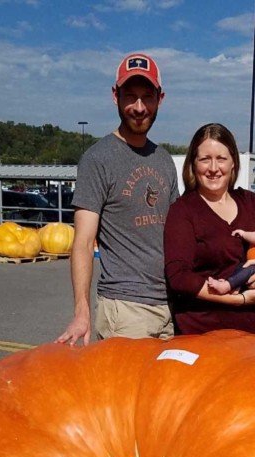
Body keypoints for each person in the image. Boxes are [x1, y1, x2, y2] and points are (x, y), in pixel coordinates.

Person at [56, 52, 179, 345]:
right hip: (125, 310)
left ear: (160, 99)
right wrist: (81, 311)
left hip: (171, 307)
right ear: (115, 96)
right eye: (130, 97)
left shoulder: (164, 160)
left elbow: (178, 231)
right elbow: (84, 241)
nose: (139, 107)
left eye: (147, 97)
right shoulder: (98, 159)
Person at [164, 123, 255, 336]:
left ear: (233, 163)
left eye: (221, 158)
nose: (213, 168)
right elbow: (179, 277)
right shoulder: (183, 211)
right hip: (202, 332)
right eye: (204, 159)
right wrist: (239, 299)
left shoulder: (250, 202)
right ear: (193, 164)